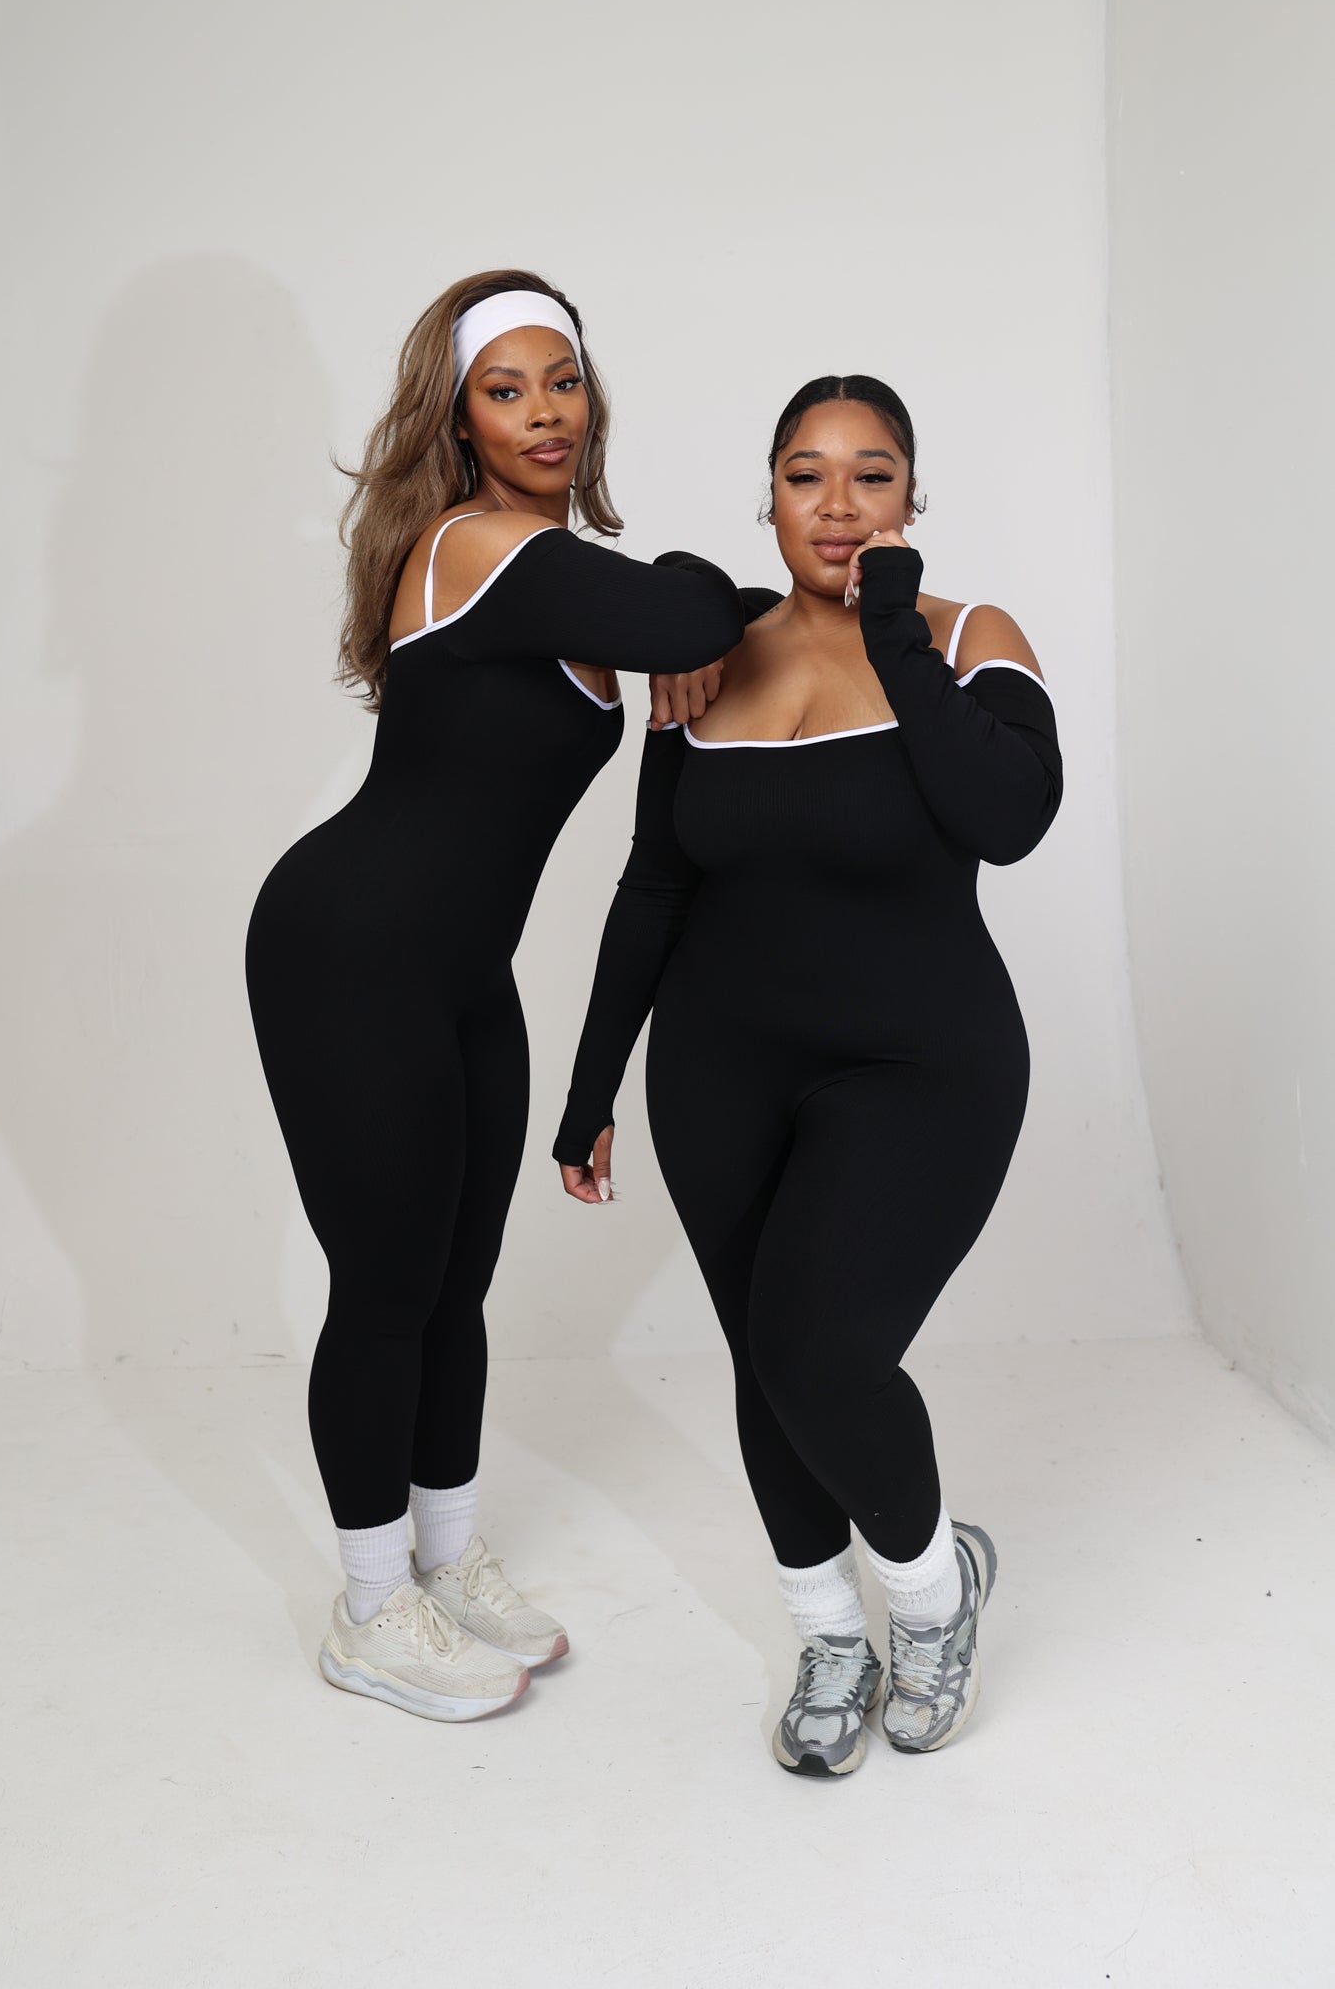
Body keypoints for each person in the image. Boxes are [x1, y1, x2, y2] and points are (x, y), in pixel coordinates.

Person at [246, 271, 743, 1721]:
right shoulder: (482, 545)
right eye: (505, 389)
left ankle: (444, 1560)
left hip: (461, 973)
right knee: (387, 1283)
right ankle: (368, 1609)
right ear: (457, 418)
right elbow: (691, 607)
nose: (542, 413)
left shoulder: (556, 562)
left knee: (457, 1284)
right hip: (348, 952)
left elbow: (679, 617)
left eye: (563, 382)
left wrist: (690, 625)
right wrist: (694, 623)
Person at [555, 374, 1063, 1775]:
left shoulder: (968, 636)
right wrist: (591, 1086)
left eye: (870, 475)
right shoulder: (708, 661)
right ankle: (829, 1631)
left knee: (818, 1350)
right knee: (764, 1361)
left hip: (922, 1064)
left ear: (912, 497)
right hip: (719, 1070)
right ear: (769, 496)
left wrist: (893, 626)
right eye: (804, 475)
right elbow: (655, 884)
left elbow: (1007, 818)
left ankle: (932, 1596)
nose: (837, 506)